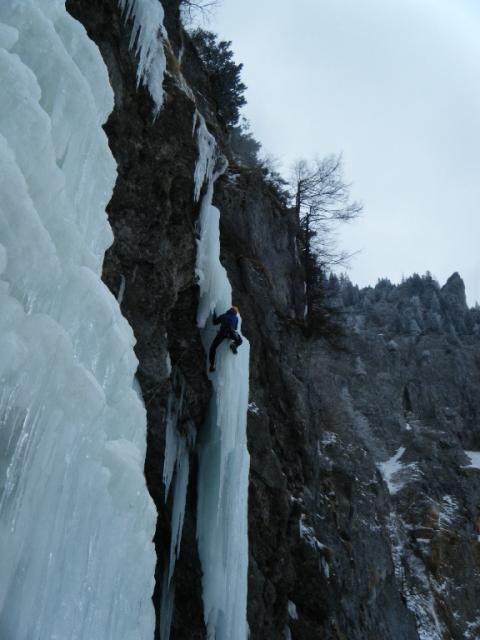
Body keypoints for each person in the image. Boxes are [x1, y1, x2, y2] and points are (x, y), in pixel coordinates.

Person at [209, 305, 243, 372]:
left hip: (222, 333)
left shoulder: (224, 315)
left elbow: (214, 322)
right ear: (235, 312)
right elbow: (235, 328)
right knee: (240, 341)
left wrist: (214, 314)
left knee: (213, 347)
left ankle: (212, 365)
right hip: (231, 333)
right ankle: (234, 345)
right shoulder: (236, 318)